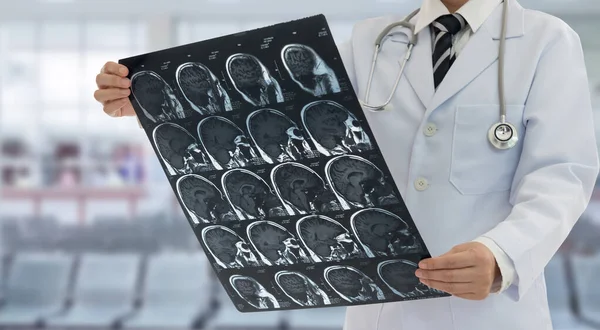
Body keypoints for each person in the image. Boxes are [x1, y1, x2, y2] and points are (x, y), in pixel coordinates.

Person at [93, 0, 599, 329]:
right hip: (381, 309)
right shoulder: (371, 42)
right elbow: (279, 126)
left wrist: (502, 256)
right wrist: (157, 103)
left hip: (489, 308)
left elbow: (562, 174)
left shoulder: (545, 41)